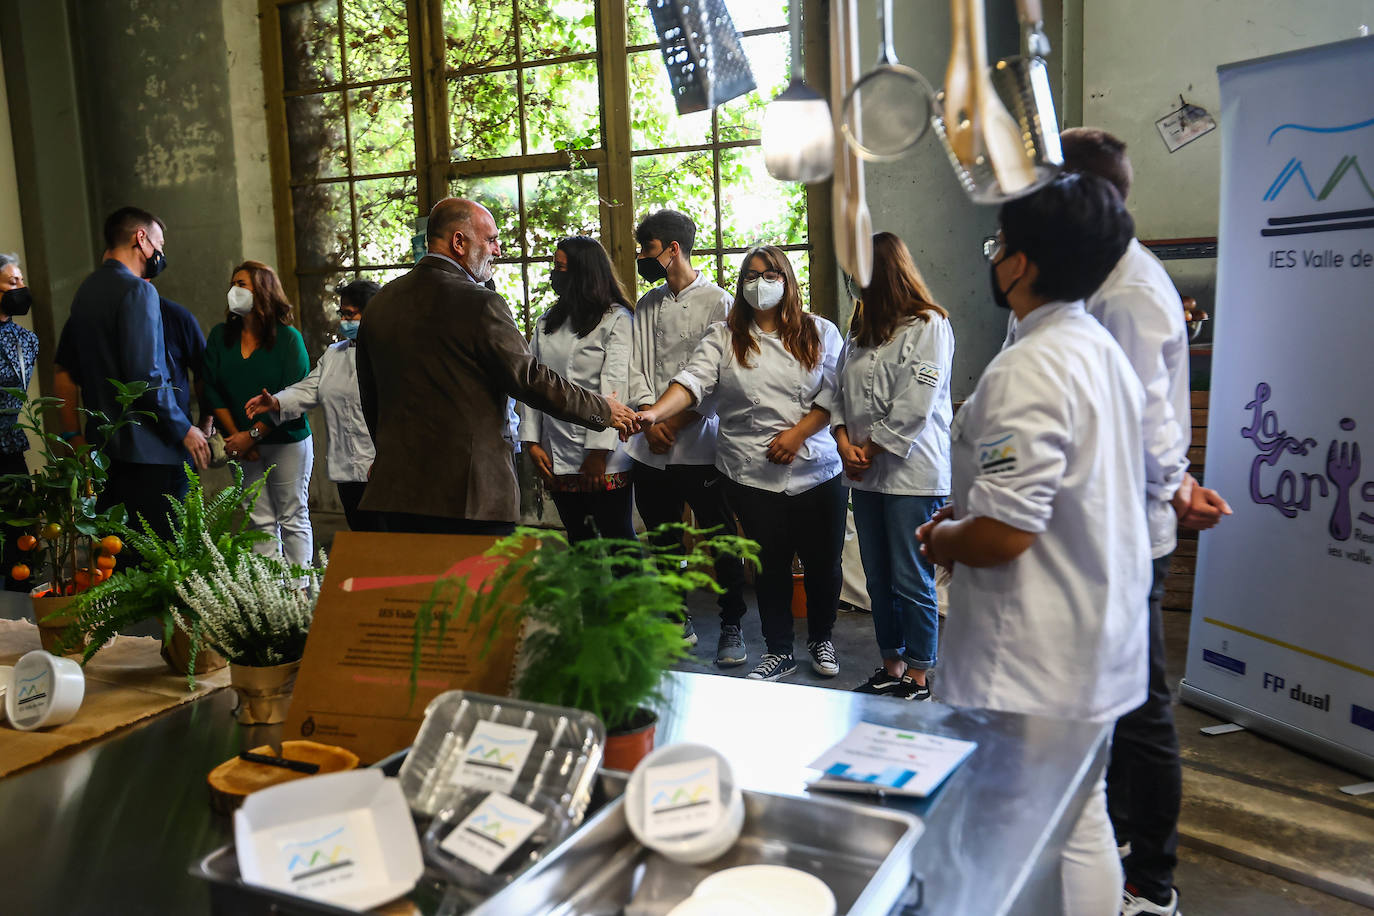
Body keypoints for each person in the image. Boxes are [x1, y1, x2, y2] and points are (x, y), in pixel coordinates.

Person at [917, 172, 1149, 916]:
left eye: (999, 246)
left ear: (1020, 264)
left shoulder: (1030, 367)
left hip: (1033, 657)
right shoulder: (1097, 350)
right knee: (1080, 816)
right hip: (1095, 631)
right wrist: (970, 512)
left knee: (1011, 827)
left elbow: (1009, 533)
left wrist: (944, 536)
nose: (994, 259)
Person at [1046, 127, 1230, 916]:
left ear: (1078, 194)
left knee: (1143, 704)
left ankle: (1151, 882)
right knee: (1116, 701)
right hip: (1101, 528)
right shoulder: (1096, 277)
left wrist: (1178, 485)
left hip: (1128, 538)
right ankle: (1117, 845)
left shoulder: (1128, 290)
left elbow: (1150, 421)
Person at [355, 197, 638, 536]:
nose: (498, 250)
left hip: (395, 492)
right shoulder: (479, 302)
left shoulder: (382, 303)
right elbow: (530, 378)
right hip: (470, 495)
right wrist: (602, 409)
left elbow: (370, 396)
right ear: (459, 242)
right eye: (490, 240)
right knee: (480, 589)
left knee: (415, 589)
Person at [636, 246, 845, 683]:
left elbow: (833, 395)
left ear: (786, 280)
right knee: (768, 565)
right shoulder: (723, 336)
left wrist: (797, 435)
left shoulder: (820, 331)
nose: (759, 283)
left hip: (816, 469)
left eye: (769, 274)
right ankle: (779, 650)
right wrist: (655, 413)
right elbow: (692, 382)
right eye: (750, 275)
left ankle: (822, 638)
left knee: (823, 564)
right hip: (750, 472)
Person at [833, 233, 955, 701]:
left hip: (912, 475)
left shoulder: (929, 325)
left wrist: (872, 449)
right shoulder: (861, 329)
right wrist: (845, 442)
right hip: (864, 474)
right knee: (877, 575)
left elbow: (915, 406)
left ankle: (919, 675)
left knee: (911, 577)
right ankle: (891, 663)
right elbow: (838, 393)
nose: (853, 282)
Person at [626, 209, 749, 665]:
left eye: (647, 249)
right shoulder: (646, 305)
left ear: (672, 249)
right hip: (648, 441)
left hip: (699, 442)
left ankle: (732, 622)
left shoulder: (719, 302)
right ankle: (677, 616)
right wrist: (648, 416)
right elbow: (635, 365)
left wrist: (675, 422)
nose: (642, 257)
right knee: (662, 537)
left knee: (719, 537)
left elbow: (720, 375)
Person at [53, 207, 210, 541]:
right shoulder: (139, 290)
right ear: (141, 238)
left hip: (106, 452)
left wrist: (73, 437)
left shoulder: (86, 292)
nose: (161, 253)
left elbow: (68, 370)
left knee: (119, 556)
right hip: (152, 455)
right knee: (165, 561)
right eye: (160, 244)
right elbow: (147, 376)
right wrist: (184, 428)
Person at [519, 237, 636, 542]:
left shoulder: (616, 320)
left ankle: (628, 593)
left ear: (584, 273)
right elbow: (533, 383)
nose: (554, 274)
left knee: (617, 539)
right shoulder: (547, 323)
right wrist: (531, 442)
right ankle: (589, 593)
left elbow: (615, 387)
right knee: (579, 540)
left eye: (560, 268)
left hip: (603, 456)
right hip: (555, 448)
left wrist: (598, 452)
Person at [245, 280, 381, 534]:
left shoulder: (391, 354)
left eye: (350, 314)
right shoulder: (334, 354)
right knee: (362, 538)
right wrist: (276, 401)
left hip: (382, 470)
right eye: (342, 313)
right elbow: (310, 388)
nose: (343, 321)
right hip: (348, 469)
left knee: (390, 542)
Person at [203, 260, 314, 568]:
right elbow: (211, 389)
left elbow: (294, 393)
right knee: (259, 519)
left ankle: (298, 590)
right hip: (240, 443)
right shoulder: (220, 336)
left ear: (263, 292)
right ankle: (270, 592)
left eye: (242, 284)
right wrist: (235, 438)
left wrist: (252, 436)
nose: (233, 290)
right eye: (232, 284)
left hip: (286, 440)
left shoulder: (288, 339)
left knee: (292, 515)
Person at [0, 254, 39, 592]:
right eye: (13, 283)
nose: (21, 289)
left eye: (21, 281)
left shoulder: (27, 340)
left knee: (24, 530)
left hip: (10, 445)